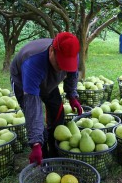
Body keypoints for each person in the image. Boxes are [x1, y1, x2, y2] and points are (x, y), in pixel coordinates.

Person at [10, 32, 83, 165]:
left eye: (65, 66)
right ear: (51, 51)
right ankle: (43, 158)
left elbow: (72, 75)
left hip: (49, 82)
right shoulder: (32, 62)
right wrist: (36, 142)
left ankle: (55, 149)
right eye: (60, 64)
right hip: (23, 82)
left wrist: (72, 95)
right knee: (36, 124)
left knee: (58, 114)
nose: (62, 68)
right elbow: (33, 107)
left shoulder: (72, 54)